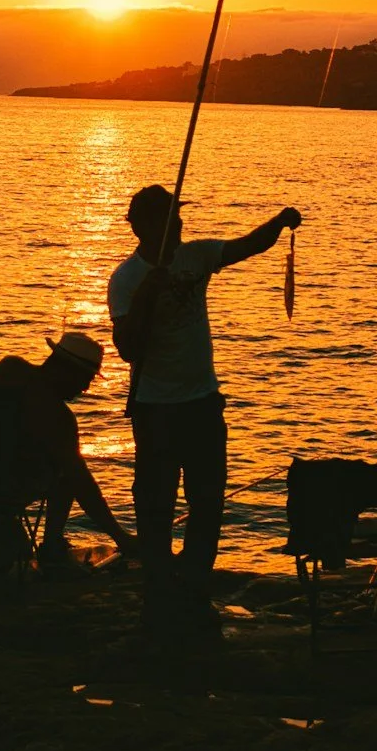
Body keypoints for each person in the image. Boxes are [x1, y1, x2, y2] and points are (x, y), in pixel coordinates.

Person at [107, 184, 300, 638]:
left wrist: (278, 222)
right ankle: (158, 596)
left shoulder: (196, 255)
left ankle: (194, 589)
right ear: (144, 227)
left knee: (208, 502)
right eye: (170, 219)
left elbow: (247, 247)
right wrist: (147, 296)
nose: (180, 224)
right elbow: (127, 349)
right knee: (155, 506)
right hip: (155, 409)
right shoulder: (127, 280)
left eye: (179, 217)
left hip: (203, 404)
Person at [0, 332, 138, 565]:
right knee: (68, 475)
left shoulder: (7, 369)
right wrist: (120, 536)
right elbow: (82, 483)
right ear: (67, 370)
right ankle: (52, 545)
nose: (85, 388)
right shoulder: (58, 416)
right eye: (86, 378)